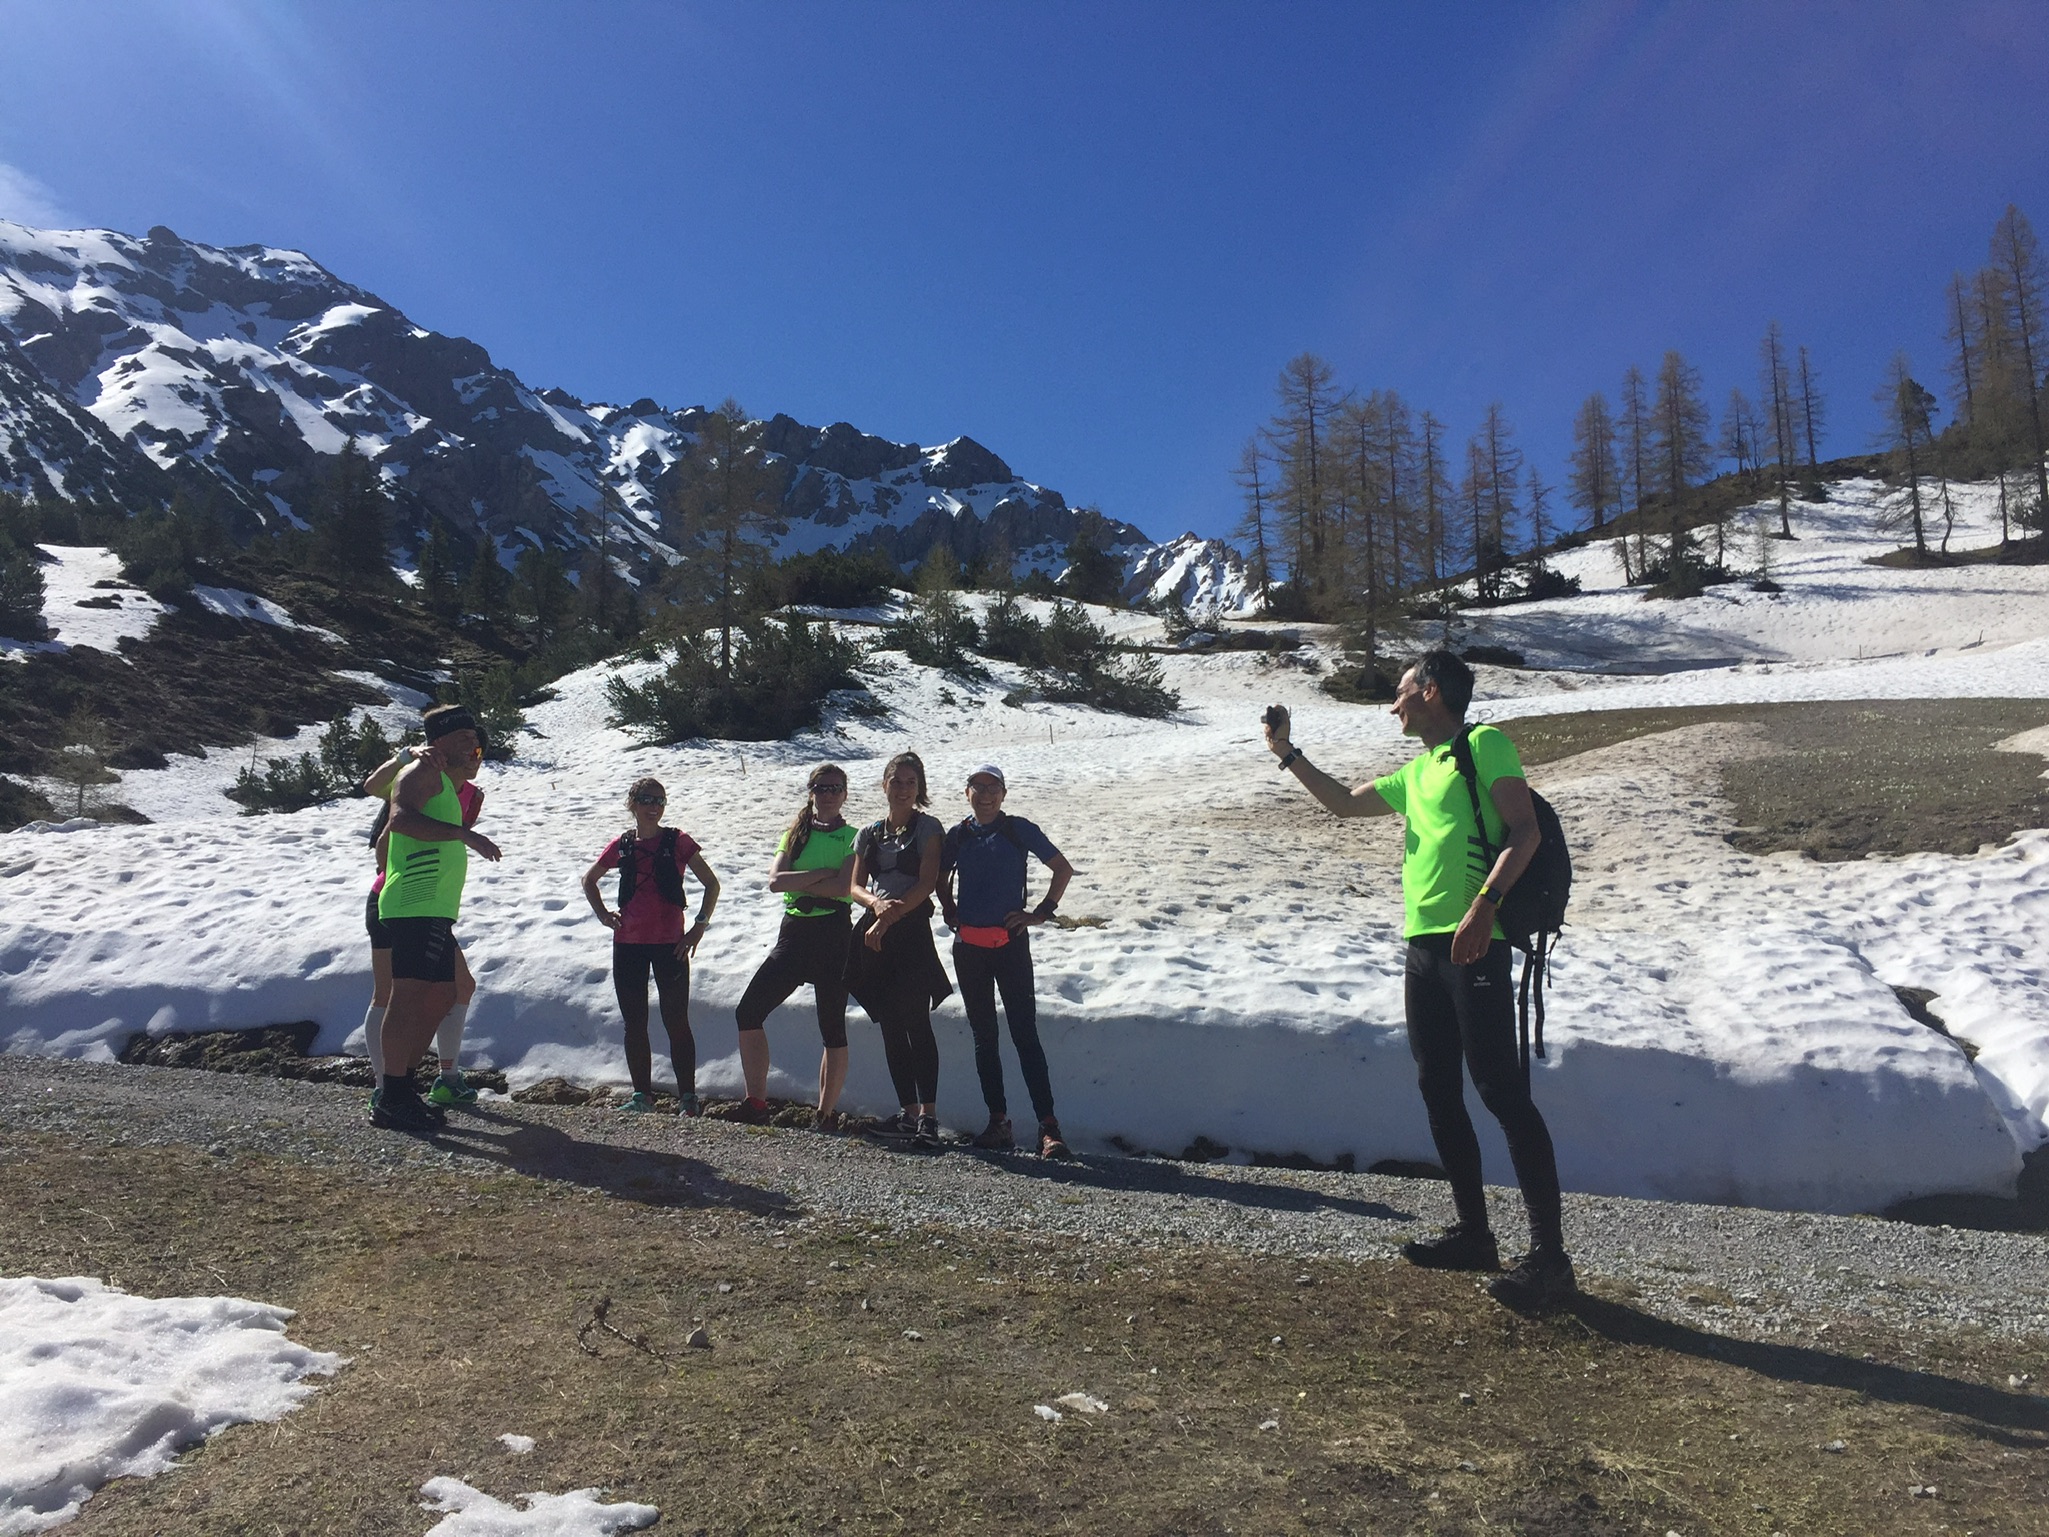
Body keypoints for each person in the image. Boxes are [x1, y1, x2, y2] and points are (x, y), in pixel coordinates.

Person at [1263, 649, 1574, 1311]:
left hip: (1474, 942)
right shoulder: (1418, 770)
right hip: (1423, 948)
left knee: (1499, 1091)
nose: (1394, 703)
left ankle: (1549, 1258)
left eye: (1402, 691)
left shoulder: (1483, 745)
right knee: (1437, 1086)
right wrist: (1285, 753)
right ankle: (1474, 1233)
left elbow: (1524, 833)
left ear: (1431, 690)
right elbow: (1344, 803)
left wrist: (1481, 910)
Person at [371, 704, 501, 1133]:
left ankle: (402, 1087)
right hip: (415, 901)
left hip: (433, 907)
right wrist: (464, 834)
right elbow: (401, 819)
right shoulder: (421, 773)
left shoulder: (444, 780)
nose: (473, 746)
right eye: (463, 738)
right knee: (406, 995)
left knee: (444, 993)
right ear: (439, 742)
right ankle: (391, 1094)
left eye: (476, 740)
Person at [937, 764, 1075, 1160]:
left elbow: (1062, 870)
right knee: (985, 1038)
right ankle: (999, 1123)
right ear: (966, 793)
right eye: (977, 787)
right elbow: (940, 879)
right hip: (969, 949)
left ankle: (1048, 1128)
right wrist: (949, 909)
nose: (985, 794)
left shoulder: (1019, 828)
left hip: (1011, 947)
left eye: (992, 787)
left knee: (1024, 1035)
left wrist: (1041, 912)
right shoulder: (958, 834)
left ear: (1004, 792)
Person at [581, 778, 720, 1114]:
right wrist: (603, 915)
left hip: (670, 944)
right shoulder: (623, 845)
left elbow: (712, 884)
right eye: (646, 799)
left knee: (676, 1020)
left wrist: (699, 927)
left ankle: (688, 1097)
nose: (654, 806)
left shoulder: (678, 841)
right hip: (627, 943)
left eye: (660, 799)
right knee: (635, 1022)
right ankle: (642, 1096)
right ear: (633, 804)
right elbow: (590, 880)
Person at [732, 764, 857, 1128]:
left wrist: (799, 883)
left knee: (832, 1027)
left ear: (845, 793)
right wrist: (821, 875)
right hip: (795, 933)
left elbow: (844, 888)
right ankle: (756, 1102)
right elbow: (775, 882)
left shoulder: (853, 836)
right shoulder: (794, 835)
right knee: (748, 1012)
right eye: (822, 788)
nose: (829, 794)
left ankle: (825, 1113)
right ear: (812, 792)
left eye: (836, 788)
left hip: (834, 934)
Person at [847, 752, 950, 1149]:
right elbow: (855, 886)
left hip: (908, 933)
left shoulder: (928, 828)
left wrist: (887, 917)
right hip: (875, 933)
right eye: (896, 780)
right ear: (884, 784)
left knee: (916, 1023)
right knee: (890, 1024)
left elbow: (925, 884)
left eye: (910, 781)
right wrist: (875, 906)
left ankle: (928, 1116)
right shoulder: (870, 833)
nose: (903, 787)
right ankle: (908, 1113)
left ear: (919, 788)